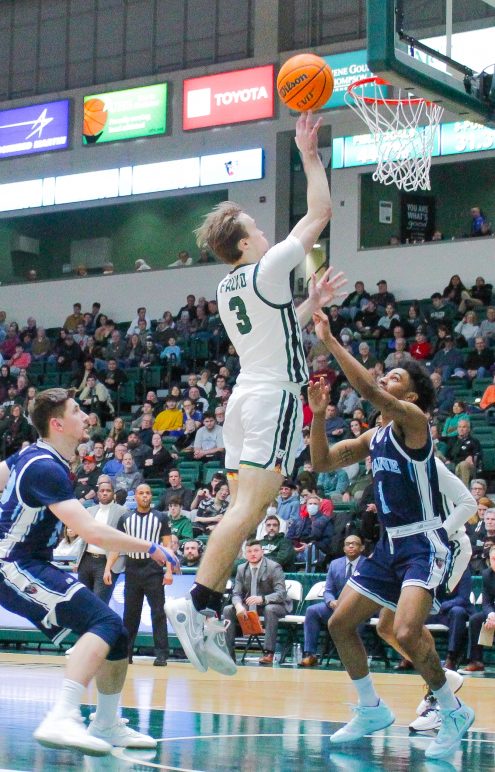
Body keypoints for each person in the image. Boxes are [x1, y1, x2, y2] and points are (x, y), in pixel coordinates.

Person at [165, 111, 342, 678]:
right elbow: (320, 213)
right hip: (273, 398)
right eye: (256, 227)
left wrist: (310, 304)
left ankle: (207, 610)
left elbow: (276, 328)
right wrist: (309, 155)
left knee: (251, 507)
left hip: (243, 399)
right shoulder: (266, 267)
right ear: (244, 242)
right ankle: (196, 604)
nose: (265, 232)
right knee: (247, 509)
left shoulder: (227, 287)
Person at [308, 311, 474, 760]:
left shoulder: (414, 421)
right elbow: (322, 462)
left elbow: (368, 390)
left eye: (395, 377)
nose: (385, 378)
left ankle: (452, 709)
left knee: (403, 629)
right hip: (388, 545)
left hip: (423, 541)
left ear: (411, 395)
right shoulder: (375, 437)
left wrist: (330, 340)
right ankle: (371, 708)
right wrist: (318, 417)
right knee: (340, 623)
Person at [0, 388, 176, 755]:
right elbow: (92, 531)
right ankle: (62, 716)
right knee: (106, 623)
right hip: (13, 565)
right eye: (77, 410)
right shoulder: (45, 467)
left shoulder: (31, 456)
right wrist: (151, 547)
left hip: (31, 562)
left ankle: (106, 723)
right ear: (57, 424)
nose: (85, 416)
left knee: (118, 636)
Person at [106, 483, 173, 667]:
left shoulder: (161, 517)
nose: (145, 496)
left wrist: (169, 570)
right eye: (141, 493)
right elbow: (117, 545)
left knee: (158, 612)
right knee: (130, 614)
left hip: (153, 569)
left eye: (148, 493)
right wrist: (108, 568)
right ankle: (126, 653)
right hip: (132, 569)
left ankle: (161, 654)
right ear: (135, 496)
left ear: (151, 496)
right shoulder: (125, 518)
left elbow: (168, 546)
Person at [222, 539, 292, 665]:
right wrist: (238, 606)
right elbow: (236, 593)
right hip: (252, 605)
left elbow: (281, 593)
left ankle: (269, 653)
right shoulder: (241, 568)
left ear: (262, 552)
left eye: (256, 550)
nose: (253, 554)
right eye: (249, 551)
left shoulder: (273, 567)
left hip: (276, 604)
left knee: (269, 609)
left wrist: (263, 599)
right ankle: (229, 654)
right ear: (245, 554)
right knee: (228, 609)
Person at [300, 534, 366, 667]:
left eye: (354, 543)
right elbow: (328, 590)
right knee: (312, 611)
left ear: (362, 548)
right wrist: (331, 601)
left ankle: (352, 656)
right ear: (344, 548)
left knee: (357, 615)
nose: (351, 546)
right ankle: (310, 654)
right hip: (337, 607)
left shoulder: (368, 565)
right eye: (348, 544)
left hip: (359, 607)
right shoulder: (335, 564)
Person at [77, 478, 128, 604]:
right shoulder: (90, 511)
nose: (105, 493)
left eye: (108, 491)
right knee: (83, 603)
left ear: (113, 493)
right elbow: (83, 538)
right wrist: (78, 561)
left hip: (107, 562)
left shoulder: (122, 511)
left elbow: (123, 540)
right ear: (97, 493)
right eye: (102, 491)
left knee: (99, 603)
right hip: (86, 560)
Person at [458, 544, 495, 674]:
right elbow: (486, 602)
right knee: (476, 619)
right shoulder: (487, 574)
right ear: (489, 560)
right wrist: (491, 615)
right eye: (494, 559)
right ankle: (476, 662)